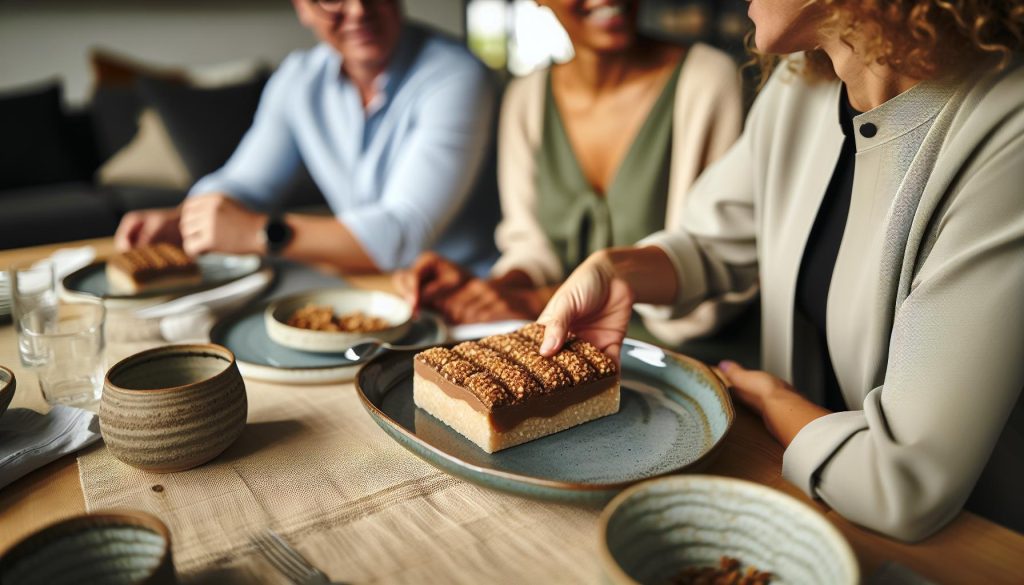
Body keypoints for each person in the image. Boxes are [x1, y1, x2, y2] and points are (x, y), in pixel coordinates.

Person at [536, 0, 1024, 540]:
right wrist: (615, 269)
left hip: (972, 543)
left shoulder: (1011, 132)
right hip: (801, 501)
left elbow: (901, 485)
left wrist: (772, 399)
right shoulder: (800, 83)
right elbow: (710, 243)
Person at [396, 0, 750, 343]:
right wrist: (492, 289)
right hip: (563, 345)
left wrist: (538, 301)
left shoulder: (709, 83)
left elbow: (710, 273)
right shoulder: (526, 99)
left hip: (691, 357)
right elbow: (531, 246)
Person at [114, 0, 498, 275]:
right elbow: (245, 182)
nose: (359, 10)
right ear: (301, 7)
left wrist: (257, 232)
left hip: (465, 295)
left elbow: (401, 232)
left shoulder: (457, 75)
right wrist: (183, 219)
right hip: (360, 283)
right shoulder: (298, 79)